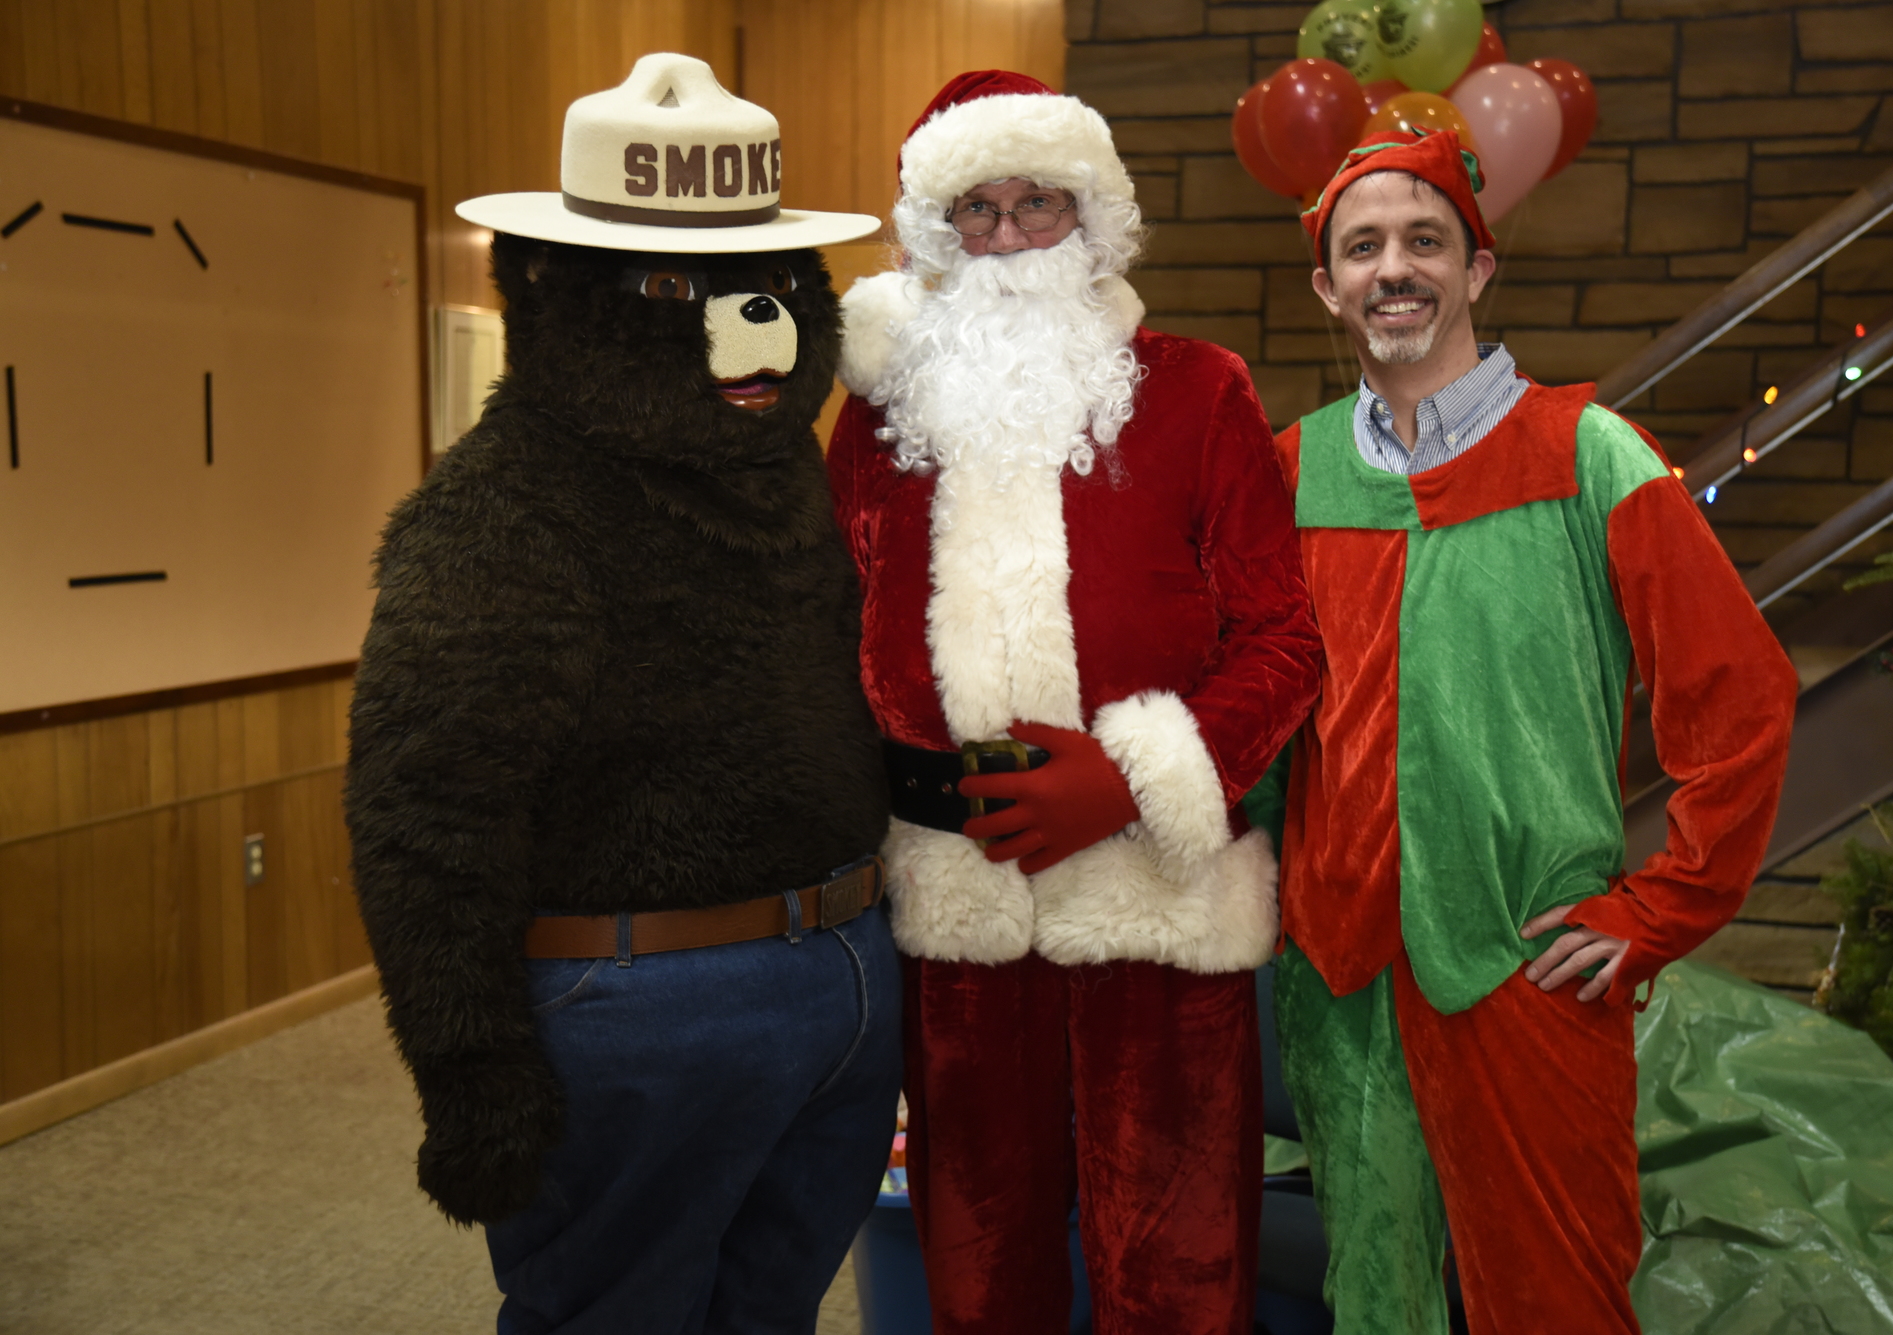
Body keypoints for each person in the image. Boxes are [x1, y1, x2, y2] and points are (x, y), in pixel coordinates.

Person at [345, 55, 897, 1333]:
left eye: (767, 287)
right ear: (546, 293)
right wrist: (470, 1071)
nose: (744, 324)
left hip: (841, 985)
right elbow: (425, 815)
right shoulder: (501, 510)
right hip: (642, 1008)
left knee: (770, 1312)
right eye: (670, 289)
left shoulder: (786, 477)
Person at [1270, 129, 1796, 1334]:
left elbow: (1740, 698)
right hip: (1342, 967)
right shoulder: (1289, 469)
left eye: (1422, 242)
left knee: (1555, 1290)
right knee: (1373, 1288)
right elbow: (1268, 705)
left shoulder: (1588, 452)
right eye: (1361, 248)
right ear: (1326, 286)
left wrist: (1660, 907)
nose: (1391, 269)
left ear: (1476, 268)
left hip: (1526, 955)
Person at [827, 70, 1322, 1334]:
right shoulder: (875, 424)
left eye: (1034, 204)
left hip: (1155, 898)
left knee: (1177, 1263)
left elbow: (1284, 637)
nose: (1004, 240)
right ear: (934, 236)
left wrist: (1135, 775)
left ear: (1090, 218)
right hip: (954, 897)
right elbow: (824, 640)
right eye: (974, 213)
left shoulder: (1197, 391)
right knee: (977, 1266)